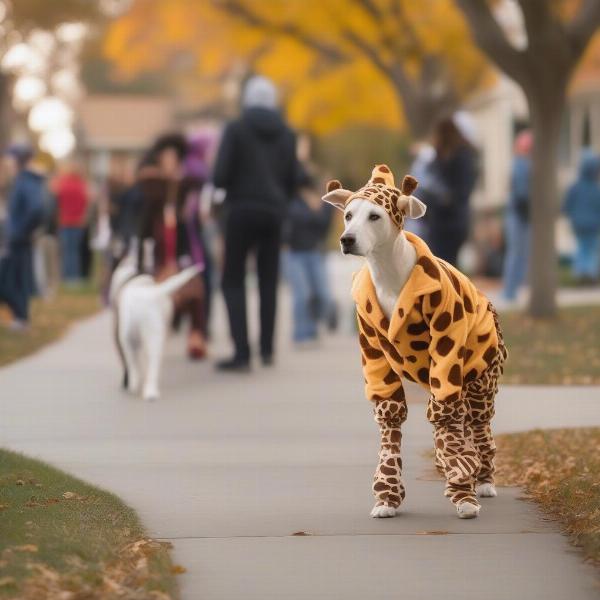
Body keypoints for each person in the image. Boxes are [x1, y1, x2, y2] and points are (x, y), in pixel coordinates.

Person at [213, 75, 299, 371]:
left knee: (233, 279)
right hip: (274, 213)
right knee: (268, 281)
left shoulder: (235, 129)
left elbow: (220, 176)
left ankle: (242, 353)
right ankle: (266, 349)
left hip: (240, 211)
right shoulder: (288, 134)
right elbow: (293, 178)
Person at [137, 133, 207, 359]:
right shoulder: (152, 185)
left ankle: (196, 335)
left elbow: (199, 182)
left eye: (173, 158)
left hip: (181, 247)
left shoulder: (186, 184)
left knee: (194, 290)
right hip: (157, 250)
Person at [285, 173, 336, 345]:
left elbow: (324, 226)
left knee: (322, 294)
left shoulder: (320, 203)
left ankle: (313, 328)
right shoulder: (292, 201)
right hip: (294, 253)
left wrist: (325, 207)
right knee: (302, 295)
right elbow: (293, 220)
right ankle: (301, 333)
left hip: (315, 252)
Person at [421, 115, 478, 266]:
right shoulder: (444, 157)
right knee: (444, 265)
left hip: (449, 221)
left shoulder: (460, 157)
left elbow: (461, 191)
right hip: (446, 220)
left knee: (443, 265)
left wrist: (443, 198)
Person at [0, 144, 45, 329]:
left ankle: (21, 317)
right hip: (16, 239)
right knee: (14, 279)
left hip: (18, 241)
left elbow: (36, 209)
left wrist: (19, 231)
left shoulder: (25, 181)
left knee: (12, 281)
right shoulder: (21, 180)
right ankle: (20, 317)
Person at [502, 129, 533, 300]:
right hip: (520, 213)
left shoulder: (519, 164)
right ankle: (510, 291)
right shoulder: (522, 165)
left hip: (518, 213)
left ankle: (512, 290)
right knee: (517, 253)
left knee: (519, 253)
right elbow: (522, 193)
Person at [563, 148, 600, 284]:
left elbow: (567, 204)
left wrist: (569, 214)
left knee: (580, 248)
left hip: (578, 224)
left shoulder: (575, 187)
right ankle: (589, 274)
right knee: (591, 249)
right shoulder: (596, 188)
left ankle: (580, 273)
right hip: (594, 225)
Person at [54, 162, 89, 284]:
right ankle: (73, 277)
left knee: (66, 251)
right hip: (78, 222)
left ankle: (66, 276)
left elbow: (57, 200)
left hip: (65, 221)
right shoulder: (81, 185)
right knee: (74, 251)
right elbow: (85, 202)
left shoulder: (63, 184)